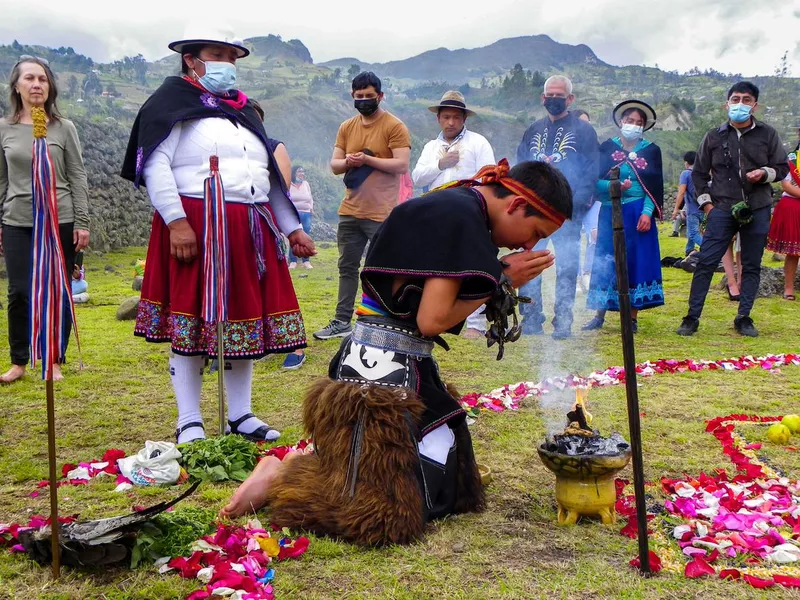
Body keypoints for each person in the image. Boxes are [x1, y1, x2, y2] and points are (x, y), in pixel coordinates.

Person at [220, 159, 573, 546]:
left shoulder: (454, 201)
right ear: (515, 205)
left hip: (376, 364)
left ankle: (307, 466)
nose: (529, 246)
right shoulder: (462, 218)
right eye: (535, 232)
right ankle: (281, 473)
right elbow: (431, 320)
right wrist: (502, 278)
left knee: (449, 489)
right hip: (382, 383)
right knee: (382, 517)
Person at [121, 28, 315, 443]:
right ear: (191, 58)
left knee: (241, 320)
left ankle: (240, 415)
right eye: (217, 54)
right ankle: (189, 418)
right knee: (191, 319)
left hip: (248, 228)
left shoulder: (241, 112)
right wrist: (176, 222)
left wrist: (293, 228)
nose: (227, 62)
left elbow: (264, 179)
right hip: (196, 223)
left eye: (232, 55)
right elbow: (156, 166)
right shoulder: (171, 104)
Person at [0, 56, 90, 384]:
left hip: (60, 219)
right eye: (29, 78)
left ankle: (53, 359)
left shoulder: (63, 128)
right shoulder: (3, 128)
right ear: (17, 86)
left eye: (42, 79)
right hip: (18, 220)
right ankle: (19, 361)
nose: (36, 84)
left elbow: (77, 175)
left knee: (58, 291)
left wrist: (82, 220)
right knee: (19, 291)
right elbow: (1, 179)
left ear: (49, 87)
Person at [677, 82, 788, 337]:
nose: (740, 103)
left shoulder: (768, 134)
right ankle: (692, 317)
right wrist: (707, 205)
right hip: (721, 208)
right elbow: (699, 174)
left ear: (754, 105)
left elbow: (782, 168)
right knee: (705, 262)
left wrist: (764, 174)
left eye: (746, 99)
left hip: (757, 207)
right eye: (735, 99)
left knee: (751, 264)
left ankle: (744, 317)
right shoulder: (714, 136)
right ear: (726, 104)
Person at [314, 72, 411, 340]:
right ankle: (341, 321)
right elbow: (334, 165)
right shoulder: (347, 126)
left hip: (381, 213)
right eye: (360, 97)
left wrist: (369, 161)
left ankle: (383, 320)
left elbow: (401, 164)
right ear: (352, 96)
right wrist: (349, 162)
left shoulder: (394, 126)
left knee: (381, 269)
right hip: (349, 210)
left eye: (370, 96)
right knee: (347, 267)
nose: (365, 100)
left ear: (380, 96)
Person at [516, 75, 599, 339]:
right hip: (533, 214)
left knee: (567, 267)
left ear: (570, 99)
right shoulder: (533, 129)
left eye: (558, 95)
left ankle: (563, 321)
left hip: (567, 213)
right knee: (530, 265)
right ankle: (530, 319)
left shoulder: (584, 131)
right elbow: (521, 166)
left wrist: (576, 207)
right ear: (543, 98)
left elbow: (591, 170)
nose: (553, 100)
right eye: (549, 95)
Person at [411, 90, 496, 338]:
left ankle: (475, 325)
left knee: (472, 265)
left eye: (456, 117)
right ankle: (436, 317)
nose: (450, 122)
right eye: (446, 116)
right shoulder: (430, 147)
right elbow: (417, 179)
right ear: (438, 118)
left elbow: (488, 177)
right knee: (436, 265)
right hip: (435, 214)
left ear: (464, 120)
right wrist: (441, 164)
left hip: (469, 213)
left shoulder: (478, 143)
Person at [582, 100, 664, 332]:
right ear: (620, 122)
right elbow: (594, 182)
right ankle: (599, 315)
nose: (634, 125)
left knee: (634, 261)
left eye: (639, 122)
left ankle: (632, 318)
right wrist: (615, 186)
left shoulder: (651, 151)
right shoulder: (606, 149)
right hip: (609, 210)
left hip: (638, 211)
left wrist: (647, 213)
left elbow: (655, 187)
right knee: (606, 260)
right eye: (630, 121)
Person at [766, 151, 800, 300]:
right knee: (793, 252)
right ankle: (789, 288)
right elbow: (785, 185)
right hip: (793, 207)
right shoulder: (793, 159)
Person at [573, 109, 600, 293]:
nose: (585, 126)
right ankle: (574, 278)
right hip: (573, 200)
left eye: (587, 122)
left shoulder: (596, 145)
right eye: (581, 122)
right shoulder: (567, 148)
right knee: (571, 240)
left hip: (594, 198)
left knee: (595, 236)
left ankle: (588, 272)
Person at [672, 151, 703, 255]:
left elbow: (681, 193)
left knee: (693, 233)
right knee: (691, 231)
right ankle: (689, 250)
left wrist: (676, 209)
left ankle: (711, 251)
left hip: (693, 209)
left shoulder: (686, 173)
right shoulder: (701, 173)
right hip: (704, 208)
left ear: (686, 162)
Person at [287, 165, 314, 270]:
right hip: (294, 214)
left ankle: (306, 261)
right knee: (294, 237)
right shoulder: (289, 184)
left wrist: (311, 207)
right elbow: (287, 198)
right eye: (299, 171)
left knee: (306, 236)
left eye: (303, 171)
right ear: (294, 173)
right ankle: (293, 261)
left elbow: (310, 197)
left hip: (306, 213)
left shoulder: (306, 184)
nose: (302, 173)